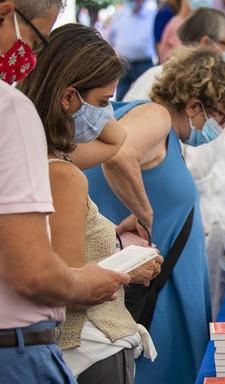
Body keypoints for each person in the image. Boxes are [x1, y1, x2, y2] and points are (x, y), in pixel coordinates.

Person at [84, 46, 225, 384]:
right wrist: (144, 214)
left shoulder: (166, 132)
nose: (221, 126)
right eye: (221, 116)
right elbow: (118, 156)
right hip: (156, 297)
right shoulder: (155, 115)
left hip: (161, 289)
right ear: (193, 105)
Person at [17, 24, 166, 383]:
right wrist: (128, 270)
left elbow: (115, 141)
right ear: (68, 98)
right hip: (88, 347)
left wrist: (108, 236)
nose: (106, 115)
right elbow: (70, 287)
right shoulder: (64, 174)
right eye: (102, 102)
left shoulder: (33, 153)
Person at [0, 1, 130, 382]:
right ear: (6, 12)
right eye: (40, 41)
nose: (33, 57)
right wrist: (101, 278)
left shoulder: (43, 144)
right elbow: (40, 276)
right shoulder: (12, 112)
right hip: (23, 348)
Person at [125, 7, 225, 316]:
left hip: (198, 230)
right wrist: (144, 214)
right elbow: (126, 158)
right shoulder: (157, 105)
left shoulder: (194, 106)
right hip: (170, 240)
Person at [107, 0, 157, 100]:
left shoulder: (152, 15)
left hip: (144, 64)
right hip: (124, 63)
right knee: (121, 97)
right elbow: (110, 38)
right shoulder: (120, 14)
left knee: (146, 97)